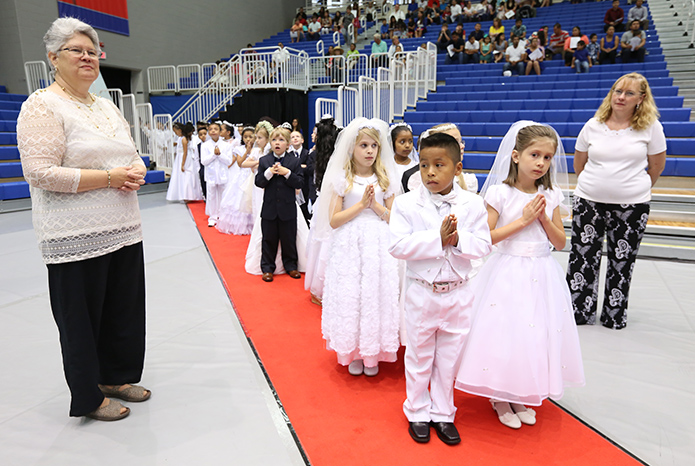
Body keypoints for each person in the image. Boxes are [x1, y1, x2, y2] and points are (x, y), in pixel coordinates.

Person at [17, 17, 150, 421]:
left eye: (93, 51)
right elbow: (40, 172)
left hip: (123, 226)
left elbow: (130, 152)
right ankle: (89, 396)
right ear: (53, 57)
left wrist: (137, 168)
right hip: (74, 232)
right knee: (82, 319)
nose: (88, 57)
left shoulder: (107, 105)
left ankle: (116, 375)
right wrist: (110, 177)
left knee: (122, 309)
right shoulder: (42, 104)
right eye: (78, 50)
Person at [455, 121, 585, 429]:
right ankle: (500, 394)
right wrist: (524, 220)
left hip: (541, 272)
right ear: (515, 156)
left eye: (547, 157)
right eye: (534, 155)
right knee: (506, 332)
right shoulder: (500, 193)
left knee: (533, 333)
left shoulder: (549, 195)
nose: (541, 163)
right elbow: (487, 237)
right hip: (509, 270)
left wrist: (542, 217)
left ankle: (520, 391)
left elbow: (560, 242)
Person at [389, 132, 492, 444]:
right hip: (422, 290)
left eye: (438, 165)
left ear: (457, 168)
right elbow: (397, 245)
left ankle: (444, 412)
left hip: (459, 292)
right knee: (420, 355)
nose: (429, 172)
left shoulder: (473, 204)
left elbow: (485, 244)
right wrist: (438, 238)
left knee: (449, 358)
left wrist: (458, 239)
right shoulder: (406, 203)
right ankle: (417, 409)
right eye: (423, 165)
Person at [567, 73, 666, 330]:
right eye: (618, 91)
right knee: (582, 258)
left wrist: (631, 189)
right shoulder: (593, 125)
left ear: (641, 99)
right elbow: (580, 163)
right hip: (589, 201)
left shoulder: (651, 127)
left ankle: (614, 315)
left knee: (622, 261)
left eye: (629, 93)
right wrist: (598, 185)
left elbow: (656, 166)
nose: (621, 97)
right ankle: (579, 312)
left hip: (632, 206)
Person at [314, 117, 400, 378]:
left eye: (374, 145)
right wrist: (361, 205)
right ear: (352, 148)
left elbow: (394, 218)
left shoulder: (385, 179)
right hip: (349, 243)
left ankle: (372, 351)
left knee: (374, 294)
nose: (370, 151)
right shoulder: (342, 179)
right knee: (351, 293)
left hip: (378, 242)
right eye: (364, 145)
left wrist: (375, 206)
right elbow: (334, 219)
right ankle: (351, 350)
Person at [255, 126, 304, 282]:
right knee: (268, 239)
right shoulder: (264, 161)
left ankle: (291, 266)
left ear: (288, 144)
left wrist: (287, 173)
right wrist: (268, 173)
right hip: (269, 208)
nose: (277, 143)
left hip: (288, 208)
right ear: (270, 142)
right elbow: (258, 182)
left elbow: (300, 182)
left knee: (289, 238)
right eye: (274, 140)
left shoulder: (294, 161)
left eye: (281, 140)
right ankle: (267, 268)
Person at [304, 116, 341, 305]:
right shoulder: (338, 157)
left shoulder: (316, 155)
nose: (312, 135)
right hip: (336, 204)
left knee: (323, 244)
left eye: (314, 133)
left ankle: (320, 286)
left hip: (323, 204)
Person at [403, 123, 478, 194]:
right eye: (455, 142)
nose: (462, 146)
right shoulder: (417, 181)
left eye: (461, 141)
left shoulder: (468, 181)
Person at [217, 126, 255, 235]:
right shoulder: (239, 148)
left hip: (253, 174)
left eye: (250, 136)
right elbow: (239, 163)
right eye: (245, 137)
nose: (248, 139)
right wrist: (247, 151)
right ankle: (241, 225)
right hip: (243, 175)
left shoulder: (257, 149)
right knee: (239, 198)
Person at [201, 121, 233, 227]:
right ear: (208, 132)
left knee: (223, 195)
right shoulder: (205, 145)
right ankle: (213, 216)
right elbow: (204, 161)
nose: (213, 131)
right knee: (211, 196)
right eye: (211, 129)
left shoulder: (226, 145)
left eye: (216, 129)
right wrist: (214, 155)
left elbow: (228, 161)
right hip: (211, 175)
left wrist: (220, 155)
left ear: (220, 131)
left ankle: (222, 215)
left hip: (223, 174)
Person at [166, 122, 204, 202]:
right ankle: (184, 194)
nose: (175, 133)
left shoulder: (184, 139)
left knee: (187, 175)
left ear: (179, 130)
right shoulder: (181, 138)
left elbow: (185, 152)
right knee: (182, 176)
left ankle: (188, 195)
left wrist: (183, 164)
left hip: (185, 159)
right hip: (180, 158)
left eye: (175, 131)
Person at [391, 123, 418, 189]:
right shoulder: (386, 166)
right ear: (392, 143)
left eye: (410, 141)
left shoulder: (415, 166)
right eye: (402, 142)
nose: (407, 145)